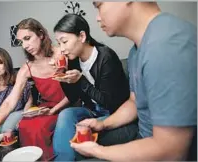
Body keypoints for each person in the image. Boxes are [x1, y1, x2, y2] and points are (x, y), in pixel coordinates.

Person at [71, 2, 197, 161]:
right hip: (142, 134)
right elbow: (134, 102)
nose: (97, 17)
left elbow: (172, 151)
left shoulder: (167, 44)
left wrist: (98, 151)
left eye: (99, 5)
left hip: (162, 149)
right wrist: (102, 124)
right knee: (80, 149)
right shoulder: (136, 50)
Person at [0, 18, 73, 161]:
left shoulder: (63, 54)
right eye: (21, 42)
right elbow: (9, 101)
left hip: (67, 104)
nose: (25, 45)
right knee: (25, 124)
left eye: (28, 38)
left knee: (39, 128)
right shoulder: (27, 67)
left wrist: (54, 110)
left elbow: (76, 91)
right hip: (46, 107)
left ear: (41, 34)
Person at [52, 14, 138, 161]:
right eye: (59, 43)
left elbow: (108, 102)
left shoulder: (106, 57)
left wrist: (81, 80)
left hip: (114, 113)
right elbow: (73, 98)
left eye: (64, 42)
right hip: (92, 111)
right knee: (66, 115)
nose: (62, 49)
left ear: (82, 36)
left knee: (81, 137)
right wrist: (62, 75)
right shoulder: (73, 60)